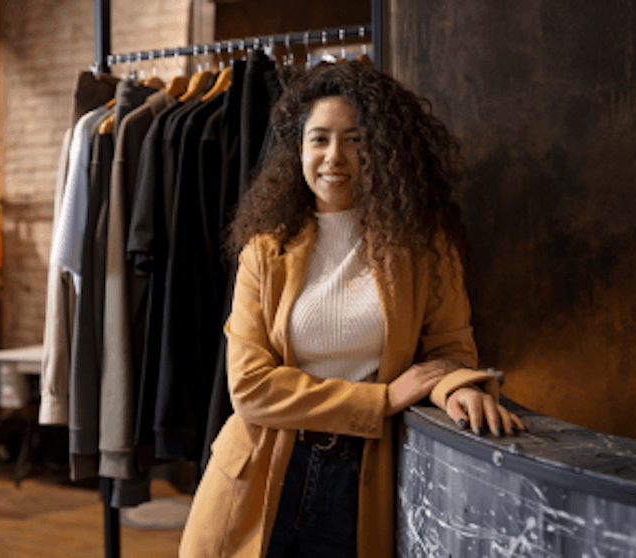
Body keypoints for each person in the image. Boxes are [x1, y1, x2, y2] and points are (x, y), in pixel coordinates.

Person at [179, 61, 525, 558]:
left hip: (360, 477)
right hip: (261, 472)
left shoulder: (425, 248)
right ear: (299, 150)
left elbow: (449, 350)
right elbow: (251, 389)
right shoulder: (264, 250)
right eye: (319, 139)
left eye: (356, 139)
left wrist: (455, 388)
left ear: (382, 150)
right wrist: (381, 400)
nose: (334, 156)